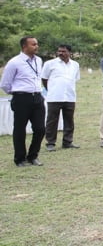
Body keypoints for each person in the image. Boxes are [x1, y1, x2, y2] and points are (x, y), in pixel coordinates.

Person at [1, 36, 45, 166]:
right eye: (33, 44)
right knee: (20, 129)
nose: (36, 46)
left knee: (40, 128)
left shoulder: (39, 60)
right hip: (22, 98)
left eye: (37, 44)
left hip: (37, 97)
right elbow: (5, 84)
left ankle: (33, 156)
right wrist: (17, 92)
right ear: (24, 46)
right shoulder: (14, 62)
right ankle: (20, 158)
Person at [41, 44, 80, 151]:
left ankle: (67, 142)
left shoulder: (75, 65)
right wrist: (51, 89)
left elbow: (75, 79)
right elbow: (44, 78)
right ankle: (50, 143)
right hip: (54, 96)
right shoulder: (50, 64)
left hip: (70, 96)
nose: (61, 53)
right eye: (59, 51)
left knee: (69, 120)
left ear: (70, 53)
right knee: (52, 120)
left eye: (64, 51)